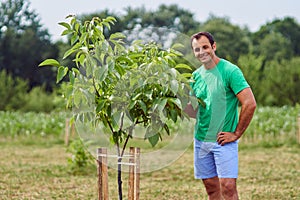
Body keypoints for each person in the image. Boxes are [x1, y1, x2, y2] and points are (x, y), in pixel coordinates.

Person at [185, 31, 256, 200]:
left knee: (228, 188)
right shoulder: (195, 77)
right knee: (211, 190)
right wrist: (176, 102)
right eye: (196, 49)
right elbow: (194, 112)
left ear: (214, 46)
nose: (201, 52)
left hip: (223, 141)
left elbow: (250, 103)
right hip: (201, 140)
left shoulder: (230, 71)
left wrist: (236, 134)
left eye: (205, 47)